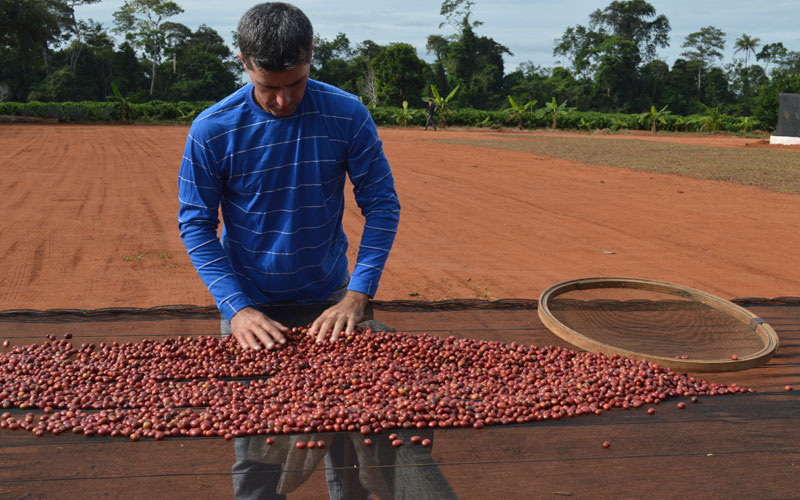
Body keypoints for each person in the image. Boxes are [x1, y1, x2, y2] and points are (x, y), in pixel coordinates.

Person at [177, 2, 401, 498]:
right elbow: (195, 224)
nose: (282, 100)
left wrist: (357, 295)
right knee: (261, 448)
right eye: (269, 87)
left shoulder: (346, 114)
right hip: (253, 307)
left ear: (311, 59)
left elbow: (382, 207)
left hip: (331, 302)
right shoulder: (213, 128)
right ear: (243, 63)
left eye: (294, 84)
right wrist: (236, 310)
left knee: (351, 443)